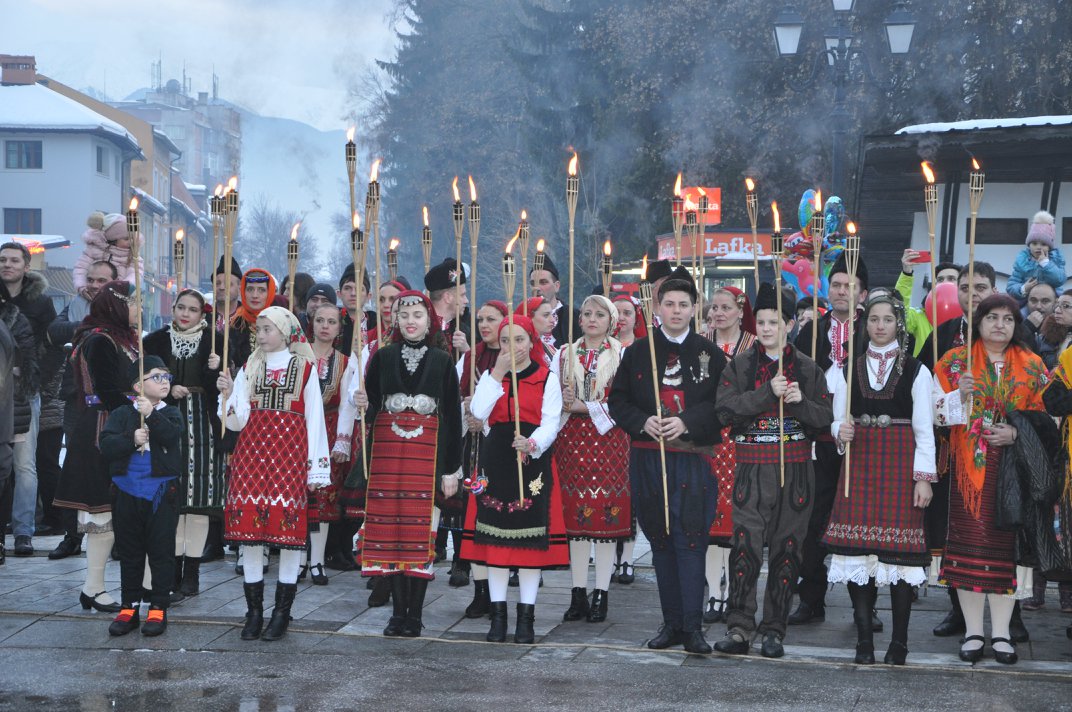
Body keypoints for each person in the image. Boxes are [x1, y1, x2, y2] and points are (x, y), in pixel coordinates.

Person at [713, 283, 833, 658]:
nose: (766, 329)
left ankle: (774, 630)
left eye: (774, 321)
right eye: (761, 322)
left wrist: (798, 402)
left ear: (790, 323)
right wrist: (768, 393)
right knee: (745, 547)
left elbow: (824, 420)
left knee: (788, 549)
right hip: (751, 468)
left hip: (796, 468)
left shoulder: (809, 368)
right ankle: (738, 627)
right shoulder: (741, 365)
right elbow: (725, 411)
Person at [608, 276, 727, 655]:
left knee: (690, 541)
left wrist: (687, 420)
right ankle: (671, 623)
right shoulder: (639, 352)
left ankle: (693, 628)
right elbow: (619, 402)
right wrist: (643, 421)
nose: (676, 311)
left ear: (695, 308)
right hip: (648, 458)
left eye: (683, 305)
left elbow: (721, 406)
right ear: (658, 308)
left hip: (692, 460)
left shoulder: (711, 353)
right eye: (669, 304)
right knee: (660, 542)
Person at [932, 294, 1051, 665]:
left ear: (1017, 326)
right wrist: (957, 396)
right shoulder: (955, 362)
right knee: (968, 551)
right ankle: (972, 631)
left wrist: (1016, 434)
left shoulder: (1033, 366)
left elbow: (1050, 420)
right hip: (967, 472)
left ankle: (1001, 634)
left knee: (1007, 554)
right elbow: (932, 415)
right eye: (992, 317)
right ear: (978, 322)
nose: (1000, 324)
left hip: (1014, 470)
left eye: (1008, 319)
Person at [823, 294, 936, 665]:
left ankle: (899, 643)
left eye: (888, 319)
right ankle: (863, 643)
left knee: (899, 558)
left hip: (900, 467)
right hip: (859, 465)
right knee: (857, 554)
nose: (880, 325)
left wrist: (923, 479)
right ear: (865, 323)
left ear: (898, 324)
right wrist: (842, 430)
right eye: (874, 319)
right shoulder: (847, 368)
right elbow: (836, 418)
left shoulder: (917, 370)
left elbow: (924, 429)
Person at [216, 306, 331, 642]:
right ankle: (253, 612)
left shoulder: (305, 369)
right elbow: (235, 422)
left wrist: (316, 468)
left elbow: (315, 421)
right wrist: (226, 396)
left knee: (289, 536)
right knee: (251, 536)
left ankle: (282, 612)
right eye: (259, 329)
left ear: (284, 331)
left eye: (267, 329)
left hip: (289, 459)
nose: (261, 335)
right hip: (251, 458)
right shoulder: (250, 368)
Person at [352, 290, 462, 637]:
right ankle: (397, 613)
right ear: (394, 321)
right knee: (392, 535)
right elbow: (369, 410)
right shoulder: (382, 358)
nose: (410, 322)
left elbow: (452, 418)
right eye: (403, 316)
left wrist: (450, 470)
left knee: (420, 535)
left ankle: (415, 615)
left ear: (430, 321)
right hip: (387, 453)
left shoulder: (443, 361)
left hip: (427, 455)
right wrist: (361, 402)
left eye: (417, 316)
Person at [460, 315, 569, 644]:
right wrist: (496, 374)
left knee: (527, 548)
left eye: (519, 340)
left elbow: (551, 421)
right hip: (497, 461)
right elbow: (478, 413)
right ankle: (497, 617)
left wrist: (533, 443)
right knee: (495, 545)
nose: (512, 347)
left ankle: (526, 618)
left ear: (531, 342)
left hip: (531, 461)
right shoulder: (493, 377)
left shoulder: (546, 377)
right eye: (505, 340)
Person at [918, 262, 1005, 640]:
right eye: (967, 288)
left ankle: (1008, 618)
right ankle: (959, 611)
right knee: (952, 531)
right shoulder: (943, 335)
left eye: (981, 287)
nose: (974, 295)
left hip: (1001, 452)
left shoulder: (1015, 335)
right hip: (951, 450)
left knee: (1003, 531)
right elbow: (921, 392)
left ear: (994, 288)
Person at [789, 253, 869, 627]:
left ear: (862, 293)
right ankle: (811, 598)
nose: (840, 291)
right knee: (812, 519)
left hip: (862, 439)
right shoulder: (810, 330)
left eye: (848, 285)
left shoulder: (875, 327)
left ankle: (863, 605)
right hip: (819, 438)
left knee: (860, 519)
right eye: (835, 284)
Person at [53, 281, 140, 613]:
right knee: (99, 511)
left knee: (111, 514)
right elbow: (106, 388)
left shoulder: (119, 338)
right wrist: (136, 409)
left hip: (116, 424)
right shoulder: (100, 340)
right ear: (117, 305)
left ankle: (96, 587)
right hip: (102, 429)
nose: (139, 309)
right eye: (134, 303)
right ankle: (92, 587)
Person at [553, 295, 630, 623]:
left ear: (611, 320)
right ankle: (577, 592)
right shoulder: (564, 353)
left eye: (600, 314)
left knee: (606, 522)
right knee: (577, 524)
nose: (592, 319)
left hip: (610, 442)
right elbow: (552, 397)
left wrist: (584, 406)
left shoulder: (623, 355)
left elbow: (626, 401)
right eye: (586, 313)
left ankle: (602, 593)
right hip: (571, 442)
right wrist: (563, 398)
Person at [142, 289, 223, 598]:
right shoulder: (156, 341)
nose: (186, 313)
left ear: (203, 315)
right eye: (181, 307)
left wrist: (216, 368)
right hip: (169, 421)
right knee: (173, 501)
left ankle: (192, 573)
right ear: (173, 308)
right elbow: (143, 378)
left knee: (199, 501)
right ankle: (171, 571)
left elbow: (226, 386)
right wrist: (169, 386)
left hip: (203, 421)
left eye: (193, 309)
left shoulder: (213, 342)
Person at [100, 356, 183, 637]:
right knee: (131, 552)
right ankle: (130, 606)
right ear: (138, 385)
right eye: (156, 377)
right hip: (127, 492)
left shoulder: (170, 412)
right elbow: (107, 445)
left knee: (160, 552)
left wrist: (152, 415)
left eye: (166, 377)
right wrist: (130, 439)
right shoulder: (122, 414)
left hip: (161, 493)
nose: (164, 382)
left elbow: (171, 436)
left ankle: (158, 606)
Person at [702, 286, 756, 623]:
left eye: (726, 307)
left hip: (740, 437)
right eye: (715, 307)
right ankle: (714, 593)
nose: (719, 313)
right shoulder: (700, 340)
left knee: (737, 517)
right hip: (708, 435)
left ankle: (734, 588)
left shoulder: (753, 344)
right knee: (708, 515)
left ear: (739, 311)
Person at [0, 241, 53, 557]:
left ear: (26, 266)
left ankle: (23, 532)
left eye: (13, 260)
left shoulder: (41, 303)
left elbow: (52, 346)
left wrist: (37, 379)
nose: (7, 265)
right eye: (2, 259)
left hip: (23, 393)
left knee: (24, 465)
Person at [457, 300, 507, 610]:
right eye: (480, 319)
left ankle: (499, 588)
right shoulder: (471, 356)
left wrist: (486, 416)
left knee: (497, 515)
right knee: (472, 515)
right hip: (473, 447)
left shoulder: (516, 354)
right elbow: (462, 395)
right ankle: (480, 590)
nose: (484, 325)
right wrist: (469, 408)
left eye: (491, 319)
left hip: (500, 444)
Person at [306, 301, 355, 585]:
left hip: (328, 430)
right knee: (298, 494)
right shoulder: (296, 356)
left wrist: (343, 441)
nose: (325, 326)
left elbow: (348, 405)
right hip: (299, 430)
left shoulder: (346, 362)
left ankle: (317, 561)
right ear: (311, 322)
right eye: (320, 320)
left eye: (331, 322)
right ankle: (298, 557)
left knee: (323, 496)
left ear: (339, 328)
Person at [610, 293, 646, 583]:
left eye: (626, 312)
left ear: (636, 317)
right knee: (609, 494)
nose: (621, 317)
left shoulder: (645, 349)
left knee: (631, 493)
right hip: (605, 430)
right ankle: (610, 555)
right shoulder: (603, 349)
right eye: (616, 311)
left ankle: (628, 559)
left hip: (632, 429)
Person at [0, 281, 33, 559]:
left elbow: (24, 366)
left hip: (11, 408)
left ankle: (21, 531)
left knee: (20, 469)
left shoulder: (12, 323)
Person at [895, 249, 946, 357]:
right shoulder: (921, 316)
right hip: (925, 373)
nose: (945, 283)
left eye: (951, 279)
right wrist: (906, 274)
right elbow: (900, 315)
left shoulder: (968, 318)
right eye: (940, 280)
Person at [1007, 211, 1066, 302]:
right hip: (1028, 302)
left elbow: (1060, 280)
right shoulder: (1022, 262)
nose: (1038, 247)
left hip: (1052, 302)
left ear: (1049, 247)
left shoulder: (1056, 259)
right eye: (1034, 243)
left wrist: (1046, 264)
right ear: (1029, 245)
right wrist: (1023, 288)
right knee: (1021, 315)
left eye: (1043, 244)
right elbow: (1011, 287)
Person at [74, 212, 140, 293]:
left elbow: (135, 275)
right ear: (113, 239)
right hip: (91, 292)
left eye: (133, 238)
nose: (131, 242)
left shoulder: (133, 256)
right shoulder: (93, 249)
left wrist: (123, 289)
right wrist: (81, 287)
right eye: (126, 239)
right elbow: (81, 269)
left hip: (116, 295)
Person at [229, 268, 277, 371]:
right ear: (243, 291)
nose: (255, 295)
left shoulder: (280, 322)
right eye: (250, 289)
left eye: (261, 290)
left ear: (270, 292)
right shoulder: (237, 324)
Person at [425, 258, 470, 357]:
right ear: (447, 297)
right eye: (462, 295)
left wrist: (467, 351)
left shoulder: (464, 330)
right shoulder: (422, 328)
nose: (466, 301)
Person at [530, 254, 574, 345]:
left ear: (556, 286)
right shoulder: (523, 316)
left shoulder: (573, 316)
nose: (537, 288)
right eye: (533, 283)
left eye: (543, 282)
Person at [516, 297, 557, 365]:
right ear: (529, 317)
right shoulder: (517, 351)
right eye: (546, 315)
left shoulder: (551, 350)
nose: (553, 320)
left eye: (551, 315)